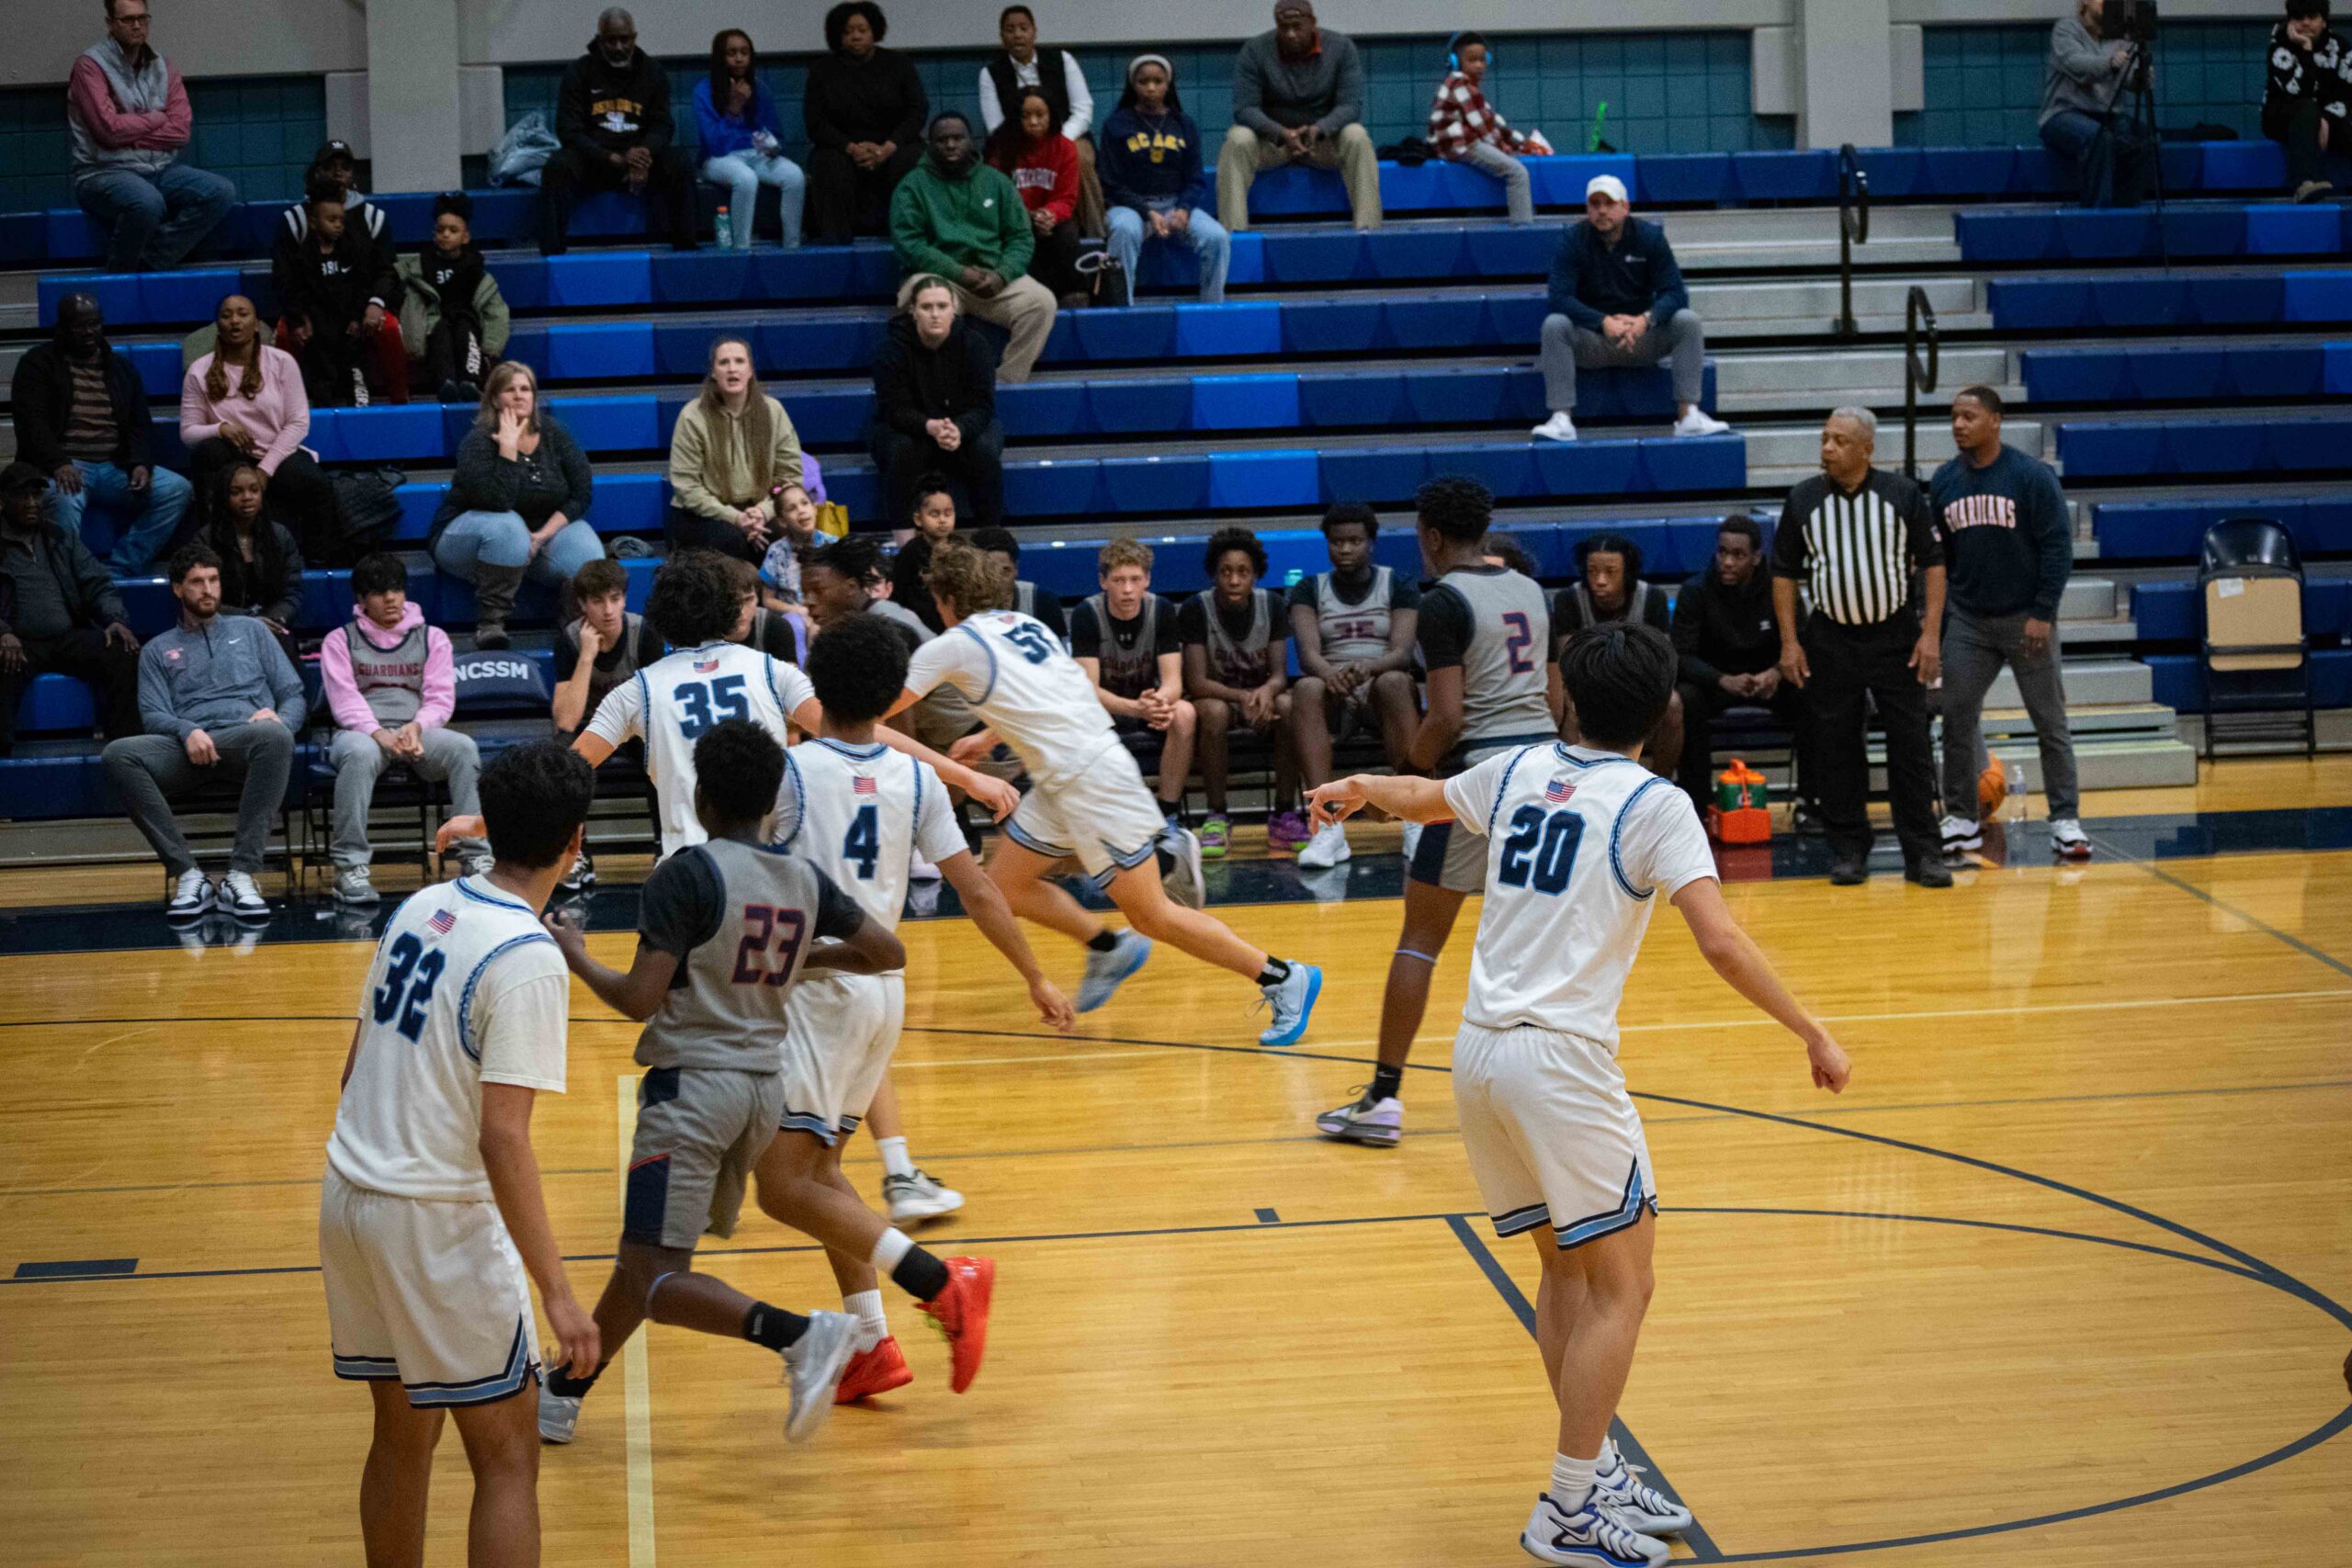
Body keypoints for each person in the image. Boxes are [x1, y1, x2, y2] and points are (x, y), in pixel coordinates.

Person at [1305, 620, 1850, 1568]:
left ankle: (1588, 1471)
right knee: (1625, 1285)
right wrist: (1809, 1028)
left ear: (1565, 699)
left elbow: (1427, 797)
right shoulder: (1655, 803)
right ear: (1660, 714)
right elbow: (1719, 941)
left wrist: (1356, 789)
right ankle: (1566, 1506)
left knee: (1566, 1274)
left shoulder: (1518, 771)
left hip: (1476, 1056)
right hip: (1559, 1066)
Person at [534, 718, 908, 1448]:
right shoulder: (800, 876)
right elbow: (886, 950)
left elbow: (642, 998)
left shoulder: (686, 873)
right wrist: (811, 959)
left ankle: (801, 1335)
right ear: (771, 802)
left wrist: (576, 956)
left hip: (694, 1093)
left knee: (655, 1276)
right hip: (764, 1091)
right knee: (647, 1260)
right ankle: (566, 1388)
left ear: (701, 796)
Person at [752, 614, 1073, 1405]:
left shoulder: (792, 774)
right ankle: (869, 1340)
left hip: (818, 992)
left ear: (816, 690)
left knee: (781, 1187)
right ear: (890, 700)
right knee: (822, 1175)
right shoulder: (919, 777)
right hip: (880, 995)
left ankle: (942, 1280)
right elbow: (978, 889)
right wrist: (1033, 973)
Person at [319, 740, 602, 1567]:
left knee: (402, 1438)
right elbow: (502, 1135)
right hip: (433, 1220)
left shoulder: (422, 904)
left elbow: (353, 1063)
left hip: (349, 1194)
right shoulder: (526, 956)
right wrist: (559, 1294)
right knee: (508, 1455)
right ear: (575, 840)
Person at [891, 541, 1325, 1043]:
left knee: (1153, 915)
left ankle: (1281, 976)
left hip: (1091, 779)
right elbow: (1063, 692)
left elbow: (869, 714)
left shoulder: (952, 644)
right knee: (1004, 884)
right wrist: (989, 735)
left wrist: (954, 769)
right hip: (1067, 777)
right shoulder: (1025, 626)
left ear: (944, 598)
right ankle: (1105, 946)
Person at [1317, 477, 1561, 1150]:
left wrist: (1406, 782)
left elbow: (1448, 716)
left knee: (1420, 938)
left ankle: (1384, 1098)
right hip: (1547, 775)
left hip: (1480, 777)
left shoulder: (1444, 601)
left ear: (1430, 535)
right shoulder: (1532, 590)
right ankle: (1542, 1094)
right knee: (1533, 946)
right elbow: (1557, 698)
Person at [1772, 408, 1951, 888]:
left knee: (1910, 745)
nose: (1827, 448)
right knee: (1836, 748)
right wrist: (1790, 643)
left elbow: (1934, 564)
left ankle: (1924, 853)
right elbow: (1784, 573)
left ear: (1867, 449)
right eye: (1825, 439)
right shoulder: (1804, 499)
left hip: (1895, 636)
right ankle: (1849, 848)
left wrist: (1930, 633)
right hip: (1830, 637)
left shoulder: (1902, 494)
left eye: (1840, 441)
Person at [102, 543, 305, 920]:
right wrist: (187, 729)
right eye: (197, 582)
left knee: (276, 736)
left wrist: (281, 722)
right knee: (118, 754)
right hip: (184, 750)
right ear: (178, 589)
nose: (208, 589)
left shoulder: (253, 632)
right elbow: (152, 714)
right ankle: (187, 874)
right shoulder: (157, 649)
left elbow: (293, 694)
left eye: (214, 580)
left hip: (245, 740)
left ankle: (241, 875)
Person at [1930, 387, 2090, 863]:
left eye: (1969, 416)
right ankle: (1961, 818)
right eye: (1954, 417)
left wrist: (2043, 612)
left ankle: (2065, 820)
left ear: (1995, 421)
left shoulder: (2030, 477)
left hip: (2027, 619)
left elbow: (2059, 547)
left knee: (2050, 723)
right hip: (1970, 620)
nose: (1959, 424)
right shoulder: (1943, 481)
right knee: (1956, 715)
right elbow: (1941, 556)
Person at [320, 553, 488, 907]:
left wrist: (416, 726)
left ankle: (475, 858)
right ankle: (350, 868)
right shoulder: (339, 640)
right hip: (361, 733)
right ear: (362, 601)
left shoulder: (433, 638)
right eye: (380, 592)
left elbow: (441, 698)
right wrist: (378, 733)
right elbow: (344, 701)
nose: (392, 598)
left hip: (417, 731)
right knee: (360, 753)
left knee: (463, 748)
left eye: (396, 589)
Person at [1532, 176, 1728, 444]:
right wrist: (1602, 322)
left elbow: (1675, 293)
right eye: (1595, 204)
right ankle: (1561, 419)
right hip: (1593, 340)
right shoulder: (1573, 240)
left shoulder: (1649, 237)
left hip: (1640, 339)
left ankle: (1688, 416)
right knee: (1555, 324)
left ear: (1625, 207)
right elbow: (1559, 297)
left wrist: (1645, 320)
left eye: (1609, 203)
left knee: (1688, 320)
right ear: (1587, 209)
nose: (1602, 210)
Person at [12, 293, 192, 574]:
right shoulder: (37, 363)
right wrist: (58, 462)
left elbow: (139, 423)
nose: (88, 332)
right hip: (64, 466)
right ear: (62, 327)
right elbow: (31, 423)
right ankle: (72, 577)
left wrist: (140, 462)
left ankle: (120, 568)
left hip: (114, 467)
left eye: (94, 324)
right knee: (62, 502)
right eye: (79, 326)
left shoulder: (120, 368)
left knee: (177, 489)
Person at [428, 363, 605, 650]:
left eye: (526, 389)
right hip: (467, 537)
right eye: (510, 390)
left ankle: (575, 632)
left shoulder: (553, 433)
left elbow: (581, 493)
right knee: (508, 527)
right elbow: (497, 502)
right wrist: (508, 451)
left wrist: (542, 536)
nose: (519, 395)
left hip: (534, 540)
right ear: (495, 399)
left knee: (589, 553)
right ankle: (491, 624)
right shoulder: (478, 441)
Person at [1288, 502, 1420, 871]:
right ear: (1327, 545)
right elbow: (1307, 654)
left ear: (1371, 544)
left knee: (1396, 681)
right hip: (1335, 693)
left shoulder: (1398, 583)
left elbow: (1402, 652)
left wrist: (1367, 668)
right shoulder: (1308, 588)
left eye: (1355, 541)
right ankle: (1327, 826)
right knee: (1305, 688)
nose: (1345, 549)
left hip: (1380, 684)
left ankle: (1413, 816)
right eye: (1337, 542)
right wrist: (1331, 675)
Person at [66, 0, 236, 272]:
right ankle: (120, 272)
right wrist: (157, 119)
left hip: (160, 168)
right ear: (110, 24)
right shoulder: (90, 67)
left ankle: (152, 259)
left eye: (142, 18)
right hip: (103, 173)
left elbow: (180, 131)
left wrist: (128, 131)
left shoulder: (163, 65)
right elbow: (108, 131)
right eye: (127, 19)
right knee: (147, 202)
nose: (137, 25)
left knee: (220, 192)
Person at [891, 112, 1058, 386]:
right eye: (942, 139)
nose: (951, 145)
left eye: (958, 138)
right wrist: (958, 272)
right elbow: (911, 244)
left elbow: (1021, 237)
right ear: (929, 144)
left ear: (972, 141)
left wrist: (1002, 274)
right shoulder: (912, 186)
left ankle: (1007, 381)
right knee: (923, 299)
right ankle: (938, 385)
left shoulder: (996, 181)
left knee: (1042, 302)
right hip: (943, 278)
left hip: (993, 278)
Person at [1671, 516, 1813, 812]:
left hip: (1770, 681)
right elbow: (1681, 656)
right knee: (1686, 698)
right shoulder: (1695, 591)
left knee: (1811, 692)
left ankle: (1811, 801)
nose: (1727, 562)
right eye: (1722, 552)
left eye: (1738, 555)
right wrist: (1721, 679)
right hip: (1717, 682)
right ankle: (1696, 806)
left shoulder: (1779, 590)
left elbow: (1801, 643)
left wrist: (1776, 672)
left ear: (1757, 558)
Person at [0, 461, 141, 758]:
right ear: (3, 500)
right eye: (22, 496)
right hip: (16, 643)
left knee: (121, 650)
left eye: (37, 496)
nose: (32, 503)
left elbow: (98, 581)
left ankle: (126, 750)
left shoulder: (59, 536)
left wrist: (114, 618)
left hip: (66, 637)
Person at [181, 293, 337, 549]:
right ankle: (212, 548)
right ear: (217, 325)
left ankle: (318, 560)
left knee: (315, 482)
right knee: (207, 452)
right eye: (226, 315)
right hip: (230, 457)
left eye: (243, 314)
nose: (235, 321)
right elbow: (188, 433)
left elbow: (298, 423)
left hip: (277, 452)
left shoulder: (282, 362)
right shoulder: (200, 370)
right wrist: (220, 428)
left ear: (256, 324)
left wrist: (264, 470)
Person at [1182, 527, 1302, 859]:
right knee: (1213, 711)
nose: (1234, 580)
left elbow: (1279, 675)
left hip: (1259, 699)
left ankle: (1284, 813)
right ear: (1214, 574)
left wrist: (1265, 691)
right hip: (1221, 697)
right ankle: (1217, 814)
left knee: (1289, 705)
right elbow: (1196, 682)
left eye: (1243, 572)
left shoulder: (1273, 604)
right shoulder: (1196, 608)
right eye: (1226, 572)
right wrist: (1245, 698)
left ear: (1256, 575)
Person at [542, 7, 696, 256]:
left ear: (634, 37)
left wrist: (643, 155)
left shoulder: (653, 72)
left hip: (640, 161)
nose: (618, 46)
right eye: (610, 39)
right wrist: (614, 158)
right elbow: (568, 131)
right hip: (596, 160)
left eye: (624, 39)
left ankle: (686, 247)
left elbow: (663, 125)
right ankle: (552, 252)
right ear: (599, 38)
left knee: (680, 162)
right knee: (557, 166)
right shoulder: (578, 72)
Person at [550, 557, 662, 897]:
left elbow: (659, 706)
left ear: (625, 599)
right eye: (598, 601)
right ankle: (576, 853)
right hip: (592, 726)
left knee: (665, 747)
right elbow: (566, 719)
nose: (608, 610)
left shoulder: (645, 634)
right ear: (583, 605)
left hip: (636, 727)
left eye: (615, 598)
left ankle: (666, 846)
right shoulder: (570, 641)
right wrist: (586, 656)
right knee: (562, 756)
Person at [1069, 538, 1195, 837]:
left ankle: (1167, 814)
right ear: (1103, 582)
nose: (1127, 589)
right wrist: (1135, 708)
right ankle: (1099, 819)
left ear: (1147, 580)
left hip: (1149, 707)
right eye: (1118, 580)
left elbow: (1173, 682)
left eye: (1135, 580)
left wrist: (1157, 704)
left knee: (1185, 713)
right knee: (1078, 718)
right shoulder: (1086, 613)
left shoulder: (1161, 609)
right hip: (1106, 710)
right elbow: (1088, 689)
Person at [1220, 1, 1381, 233]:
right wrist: (1282, 133)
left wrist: (1318, 129)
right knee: (1237, 138)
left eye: (1297, 26)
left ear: (1312, 23)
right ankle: (1233, 235)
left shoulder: (1341, 48)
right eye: (1283, 27)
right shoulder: (1255, 50)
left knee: (1356, 135)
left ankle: (1368, 230)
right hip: (1275, 144)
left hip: (1321, 142)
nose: (1290, 34)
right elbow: (1245, 109)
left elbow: (1350, 107)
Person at [869, 275, 1005, 528]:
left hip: (962, 425)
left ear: (954, 310)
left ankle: (991, 541)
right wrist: (929, 426)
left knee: (985, 452)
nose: (935, 314)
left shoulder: (975, 345)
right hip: (911, 428)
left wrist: (960, 429)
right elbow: (893, 410)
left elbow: (983, 405)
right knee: (902, 451)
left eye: (942, 307)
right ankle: (904, 541)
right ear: (913, 311)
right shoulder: (891, 350)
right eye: (926, 307)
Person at [279, 140, 408, 406]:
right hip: (313, 306)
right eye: (330, 167)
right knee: (286, 333)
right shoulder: (295, 219)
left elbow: (385, 272)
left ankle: (400, 403)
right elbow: (284, 277)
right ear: (317, 172)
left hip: (359, 302)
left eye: (345, 168)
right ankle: (285, 405)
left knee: (387, 326)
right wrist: (298, 315)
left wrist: (374, 303)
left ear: (353, 175)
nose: (338, 173)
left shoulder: (373, 217)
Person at [1099, 55, 1230, 303]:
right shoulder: (1116, 124)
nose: (1151, 87)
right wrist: (1147, 211)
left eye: (1158, 81)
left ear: (1168, 84)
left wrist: (1184, 209)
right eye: (1143, 81)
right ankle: (1121, 308)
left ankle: (1212, 306)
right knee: (1124, 230)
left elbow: (1195, 178)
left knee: (1217, 237)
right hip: (1130, 208)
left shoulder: (1184, 124)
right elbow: (1110, 182)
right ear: (1132, 85)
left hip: (1173, 205)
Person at [667, 335, 805, 563]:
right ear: (713, 372)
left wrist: (763, 512)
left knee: (785, 538)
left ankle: (777, 600)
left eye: (740, 361)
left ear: (750, 370)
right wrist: (735, 518)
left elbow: (789, 475)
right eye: (724, 362)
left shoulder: (774, 411)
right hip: (702, 514)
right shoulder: (692, 416)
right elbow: (687, 487)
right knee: (733, 543)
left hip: (759, 508)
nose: (732, 369)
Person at [1555, 534, 1682, 779]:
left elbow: (1661, 662)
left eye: (1610, 572)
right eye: (1592, 571)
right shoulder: (1568, 599)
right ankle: (1576, 782)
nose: (1600, 580)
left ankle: (1660, 782)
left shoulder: (1652, 598)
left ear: (1627, 573)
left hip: (1638, 686)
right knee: (1569, 704)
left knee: (1674, 703)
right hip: (1588, 687)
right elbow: (1567, 663)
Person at [803, 1, 927, 243]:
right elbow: (815, 122)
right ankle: (837, 244)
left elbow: (917, 111)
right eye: (847, 32)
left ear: (875, 31)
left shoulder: (900, 64)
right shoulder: (821, 70)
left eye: (862, 30)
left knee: (913, 159)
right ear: (837, 36)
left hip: (894, 145)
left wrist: (888, 147)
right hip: (844, 148)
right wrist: (851, 148)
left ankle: (911, 238)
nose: (856, 37)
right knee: (828, 165)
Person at [980, 6, 1105, 236]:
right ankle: (1017, 227)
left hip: (1067, 137)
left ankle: (1095, 236)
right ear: (1001, 37)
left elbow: (1083, 109)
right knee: (997, 163)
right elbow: (995, 126)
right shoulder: (990, 73)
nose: (1018, 34)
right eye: (1010, 29)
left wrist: (1059, 142)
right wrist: (1030, 139)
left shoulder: (1062, 59)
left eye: (1023, 28)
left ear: (1034, 32)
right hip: (1016, 141)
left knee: (1079, 157)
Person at [2040, 0, 2159, 209]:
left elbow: (2131, 81)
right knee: (2097, 137)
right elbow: (2076, 64)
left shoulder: (2122, 37)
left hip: (2107, 115)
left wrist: (2142, 77)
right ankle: (2098, 215)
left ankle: (2126, 210)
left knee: (2143, 137)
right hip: (2063, 114)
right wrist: (2110, 63)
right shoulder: (2066, 29)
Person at [696, 28, 807, 249]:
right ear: (720, 57)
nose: (739, 59)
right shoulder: (703, 90)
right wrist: (734, 109)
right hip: (718, 158)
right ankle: (741, 249)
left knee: (795, 176)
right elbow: (714, 144)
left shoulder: (760, 88)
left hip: (756, 155)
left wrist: (774, 147)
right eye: (732, 53)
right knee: (746, 179)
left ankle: (792, 248)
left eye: (744, 52)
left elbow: (776, 133)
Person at [399, 194, 510, 406]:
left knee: (464, 329)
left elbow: (496, 310)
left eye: (453, 230)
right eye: (440, 230)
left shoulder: (476, 271)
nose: (446, 235)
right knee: (440, 334)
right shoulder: (419, 266)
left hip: (466, 320)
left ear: (465, 237)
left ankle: (470, 380)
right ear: (433, 235)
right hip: (434, 321)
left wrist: (492, 347)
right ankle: (446, 383)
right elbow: (395, 278)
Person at [986, 89, 1086, 302]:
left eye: (1040, 115)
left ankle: (1075, 296)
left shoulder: (1065, 147)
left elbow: (1067, 196)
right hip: (1015, 219)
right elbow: (997, 195)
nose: (1033, 122)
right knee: (1021, 236)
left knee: (1068, 232)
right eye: (1026, 116)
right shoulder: (1002, 148)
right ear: (1016, 118)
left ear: (1051, 116)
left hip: (1051, 219)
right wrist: (1028, 216)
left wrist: (1049, 214)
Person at [1427, 31, 1536, 226]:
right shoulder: (1459, 84)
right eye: (1471, 60)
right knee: (1518, 173)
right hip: (1460, 145)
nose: (1479, 65)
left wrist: (1522, 143)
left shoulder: (1469, 88)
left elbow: (1493, 120)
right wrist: (1507, 150)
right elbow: (1484, 131)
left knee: (1514, 157)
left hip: (1465, 143)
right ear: (1455, 62)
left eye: (1481, 60)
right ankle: (1524, 228)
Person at [201, 461, 304, 649]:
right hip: (221, 631)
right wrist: (251, 621)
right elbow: (202, 597)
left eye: (254, 490)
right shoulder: (205, 540)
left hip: (272, 628)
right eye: (236, 492)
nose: (247, 497)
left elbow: (293, 591)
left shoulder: (280, 536)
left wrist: (275, 619)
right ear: (223, 497)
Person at [2265, 0, 2352, 201]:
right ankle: (2305, 184)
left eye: (2312, 18)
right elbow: (2297, 93)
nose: (2305, 23)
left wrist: (2327, 117)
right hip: (2283, 116)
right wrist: (2306, 49)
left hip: (2326, 116)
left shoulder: (2339, 46)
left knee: (2346, 125)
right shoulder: (2279, 47)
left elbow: (2348, 92)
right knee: (2306, 108)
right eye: (2298, 18)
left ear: (2323, 21)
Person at [968, 525, 1068, 646]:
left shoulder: (1042, 602)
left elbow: (1059, 660)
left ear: (1016, 569)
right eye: (988, 573)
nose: (996, 581)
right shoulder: (961, 605)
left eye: (1004, 571)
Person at [887, 474, 959, 633]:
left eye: (948, 513)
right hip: (920, 628)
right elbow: (899, 596)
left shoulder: (962, 549)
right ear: (918, 519)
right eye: (934, 514)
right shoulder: (910, 554)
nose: (942, 520)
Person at [757, 479, 826, 608]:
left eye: (805, 503)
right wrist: (798, 612)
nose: (801, 510)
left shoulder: (831, 544)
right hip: (795, 615)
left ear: (815, 509)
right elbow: (767, 600)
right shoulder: (776, 552)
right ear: (782, 522)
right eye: (792, 508)